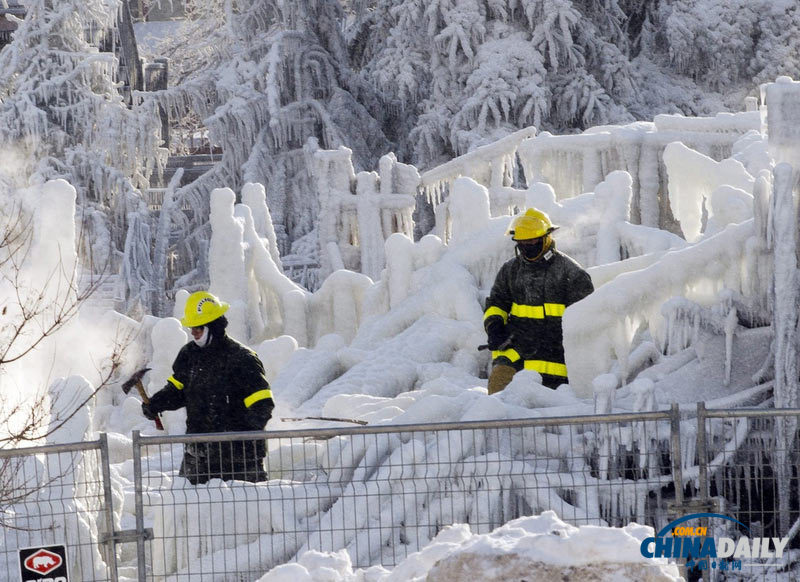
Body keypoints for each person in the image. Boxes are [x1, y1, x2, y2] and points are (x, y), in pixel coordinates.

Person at [142, 291, 274, 484]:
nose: (193, 332)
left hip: (241, 461)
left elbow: (262, 405)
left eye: (198, 328)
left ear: (214, 326)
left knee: (244, 512)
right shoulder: (188, 356)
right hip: (198, 456)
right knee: (189, 509)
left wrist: (235, 438)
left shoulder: (242, 359)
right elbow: (177, 390)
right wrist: (156, 404)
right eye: (191, 328)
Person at [484, 208, 594, 394]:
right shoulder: (510, 270)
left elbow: (587, 319)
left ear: (546, 237)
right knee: (499, 398)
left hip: (556, 359)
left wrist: (552, 339)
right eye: (522, 242)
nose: (527, 245)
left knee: (546, 413)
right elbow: (497, 303)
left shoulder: (571, 272)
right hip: (515, 352)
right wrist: (494, 327)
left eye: (532, 240)